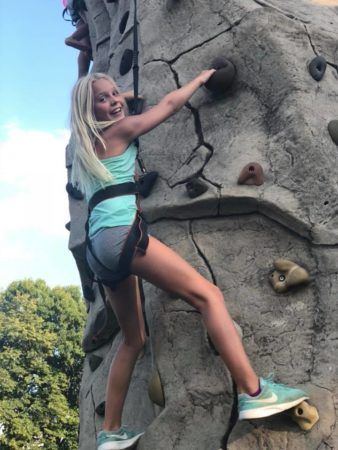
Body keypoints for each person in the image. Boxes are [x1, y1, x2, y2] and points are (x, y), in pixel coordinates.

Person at [69, 71, 309, 450]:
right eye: (104, 98)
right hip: (122, 234)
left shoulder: (86, 144)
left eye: (116, 93)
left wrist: (118, 94)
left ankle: (111, 431)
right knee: (208, 296)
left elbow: (111, 102)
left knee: (133, 339)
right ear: (89, 108)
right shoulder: (121, 129)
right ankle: (254, 390)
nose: (115, 100)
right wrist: (199, 79)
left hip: (99, 249)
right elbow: (166, 105)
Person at [62, 0, 91, 78]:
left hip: (72, 8)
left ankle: (81, 78)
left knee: (85, 47)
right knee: (93, 24)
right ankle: (71, 38)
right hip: (75, 3)